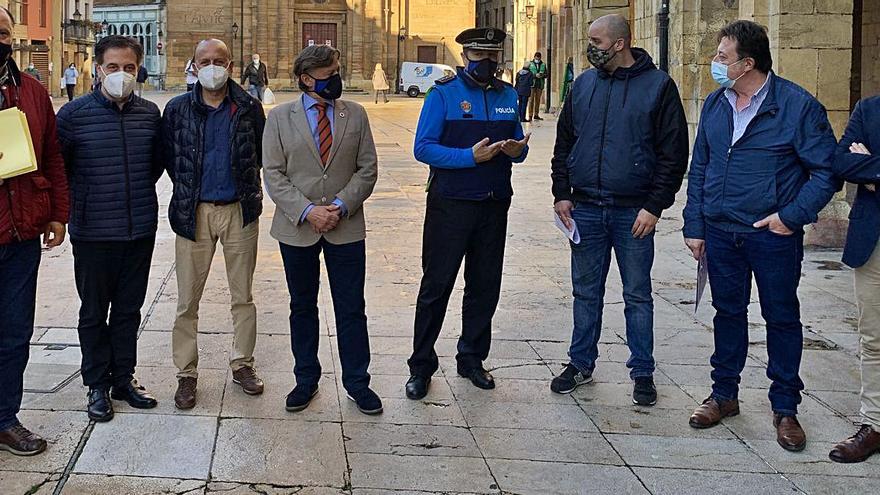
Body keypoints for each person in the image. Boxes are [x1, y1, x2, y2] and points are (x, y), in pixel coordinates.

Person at [682, 20, 838, 452]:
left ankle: (785, 407)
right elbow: (701, 168)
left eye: (722, 57)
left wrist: (791, 217)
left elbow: (826, 172)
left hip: (772, 236)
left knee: (781, 318)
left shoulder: (797, 106)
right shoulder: (717, 103)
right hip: (720, 231)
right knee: (726, 314)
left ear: (747, 63)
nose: (715, 62)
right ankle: (723, 395)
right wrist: (695, 224)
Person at [550, 15, 689, 406]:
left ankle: (642, 371)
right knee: (585, 292)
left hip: (634, 214)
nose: (590, 45)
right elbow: (564, 143)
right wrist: (562, 193)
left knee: (637, 294)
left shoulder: (659, 87)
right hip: (587, 209)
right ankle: (580, 363)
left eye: (596, 39)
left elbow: (673, 154)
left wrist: (654, 205)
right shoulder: (583, 86)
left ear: (620, 43)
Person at [405, 27, 530, 400]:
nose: (486, 63)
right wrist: (467, 157)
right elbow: (423, 148)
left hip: (494, 202)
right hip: (451, 203)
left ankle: (472, 357)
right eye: (478, 56)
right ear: (465, 57)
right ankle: (421, 365)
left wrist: (515, 150)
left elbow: (520, 144)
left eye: (492, 56)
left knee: (484, 285)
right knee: (437, 285)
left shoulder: (509, 95)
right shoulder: (442, 94)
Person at [263, 45, 382, 415]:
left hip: (345, 226)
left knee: (351, 307)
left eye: (337, 70)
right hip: (298, 228)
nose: (337, 79)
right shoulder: (280, 118)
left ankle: (358, 383)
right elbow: (273, 174)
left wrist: (342, 205)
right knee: (302, 305)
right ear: (306, 78)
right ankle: (306, 379)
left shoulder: (356, 114)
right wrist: (308, 210)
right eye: (329, 73)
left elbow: (368, 169)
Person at [56, 35, 162, 423]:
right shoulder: (72, 116)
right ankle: (96, 384)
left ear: (139, 69)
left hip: (139, 229)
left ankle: (124, 379)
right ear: (98, 69)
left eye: (129, 68)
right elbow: (61, 170)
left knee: (129, 311)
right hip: (93, 231)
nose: (121, 74)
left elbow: (154, 167)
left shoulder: (150, 114)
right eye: (113, 67)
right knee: (94, 312)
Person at [160, 39, 266, 410]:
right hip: (195, 213)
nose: (212, 66)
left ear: (231, 65)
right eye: (204, 61)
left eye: (218, 60)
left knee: (243, 296)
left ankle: (243, 364)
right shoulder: (176, 110)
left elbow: (262, 155)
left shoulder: (249, 107)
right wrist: (193, 191)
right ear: (193, 65)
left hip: (239, 211)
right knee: (187, 299)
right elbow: (170, 159)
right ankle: (186, 374)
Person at [0, 6, 70, 456]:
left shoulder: (31, 91)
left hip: (22, 233)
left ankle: (5, 418)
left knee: (13, 333)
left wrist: (58, 213)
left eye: (3, 31)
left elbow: (53, 157)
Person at [828, 96, 880, 463]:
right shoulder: (870, 109)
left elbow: (861, 165)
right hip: (873, 240)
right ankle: (874, 423)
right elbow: (843, 161)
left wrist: (871, 166)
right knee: (874, 336)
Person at [528, 52, 547, 121]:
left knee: (538, 100)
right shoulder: (530, 64)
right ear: (534, 57)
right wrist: (534, 75)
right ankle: (530, 115)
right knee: (531, 100)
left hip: (540, 84)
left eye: (539, 58)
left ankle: (536, 114)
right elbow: (527, 74)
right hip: (532, 84)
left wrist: (542, 75)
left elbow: (546, 74)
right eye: (536, 58)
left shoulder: (543, 64)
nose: (537, 59)